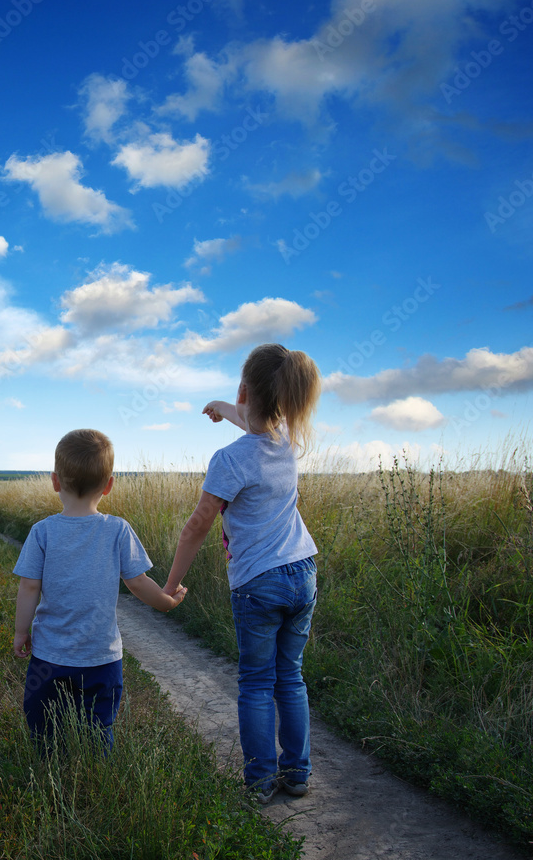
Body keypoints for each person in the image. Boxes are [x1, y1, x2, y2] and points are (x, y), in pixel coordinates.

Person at [162, 343, 322, 804]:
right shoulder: (289, 437)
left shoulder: (229, 460)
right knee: (290, 676)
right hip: (303, 572)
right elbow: (256, 421)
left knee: (256, 680)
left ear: (244, 390)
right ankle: (297, 774)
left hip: (259, 582)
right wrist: (222, 406)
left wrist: (170, 587)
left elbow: (197, 526)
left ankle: (259, 782)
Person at [14, 428, 186, 752]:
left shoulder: (42, 532)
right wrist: (165, 602)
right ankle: (95, 775)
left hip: (49, 657)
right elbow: (137, 582)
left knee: (43, 724)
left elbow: (29, 586)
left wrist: (21, 632)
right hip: (101, 658)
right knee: (98, 726)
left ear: (54, 481)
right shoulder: (118, 530)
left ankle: (50, 770)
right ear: (109, 485)